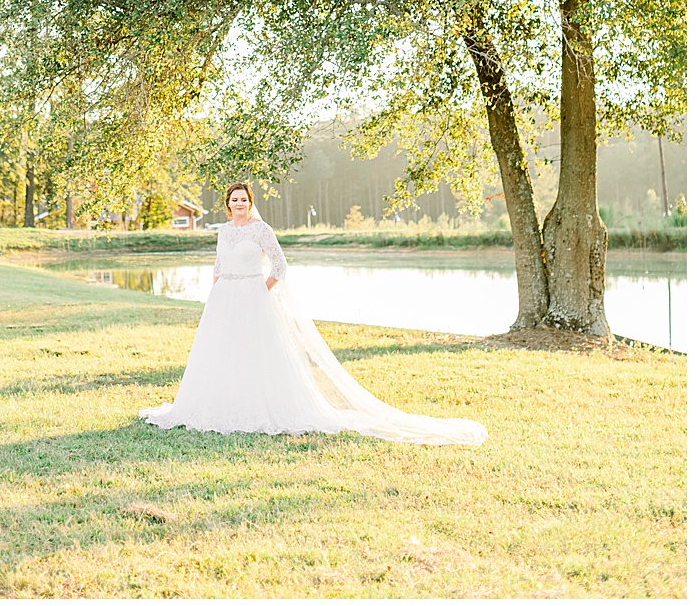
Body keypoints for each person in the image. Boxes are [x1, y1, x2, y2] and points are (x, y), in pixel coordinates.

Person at [138, 181, 486, 445]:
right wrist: (217, 287)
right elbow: (218, 262)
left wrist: (260, 289)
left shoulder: (262, 230)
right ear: (227, 206)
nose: (239, 204)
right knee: (222, 351)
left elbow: (280, 265)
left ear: (250, 203)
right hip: (223, 298)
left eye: (244, 199)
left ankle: (261, 406)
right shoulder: (224, 231)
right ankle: (215, 404)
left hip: (252, 295)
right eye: (234, 200)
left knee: (255, 352)